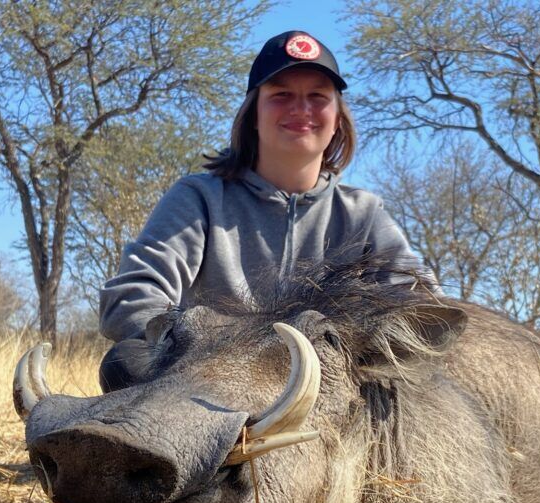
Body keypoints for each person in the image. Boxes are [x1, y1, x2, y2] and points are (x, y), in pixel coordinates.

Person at [99, 30, 438, 343]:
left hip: (335, 382)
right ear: (253, 116)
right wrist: (199, 348)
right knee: (123, 363)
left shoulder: (363, 213)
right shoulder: (200, 198)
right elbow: (131, 299)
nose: (301, 108)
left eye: (317, 95)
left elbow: (425, 307)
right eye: (281, 94)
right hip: (209, 378)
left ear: (337, 120)